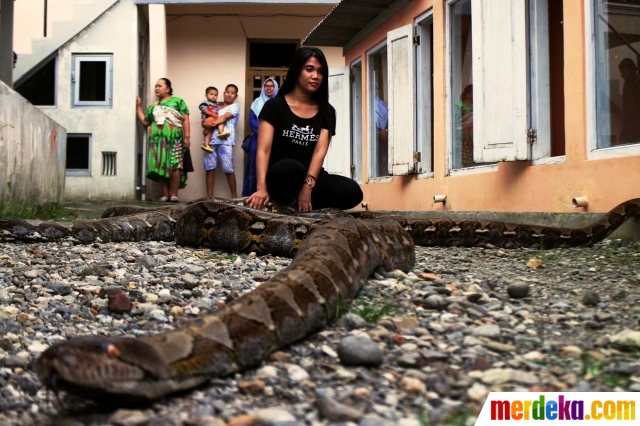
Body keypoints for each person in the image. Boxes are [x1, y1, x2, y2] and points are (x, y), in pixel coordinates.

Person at [246, 47, 363, 212]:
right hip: (281, 175)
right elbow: (263, 150)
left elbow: (319, 152)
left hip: (310, 178)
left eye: (320, 71)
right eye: (309, 69)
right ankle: (287, 199)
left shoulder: (327, 111)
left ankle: (301, 201)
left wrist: (307, 188)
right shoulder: (274, 106)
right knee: (292, 169)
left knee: (352, 191)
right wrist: (261, 188)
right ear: (296, 71)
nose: (315, 76)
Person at [136, 78, 190, 202]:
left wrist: (187, 137)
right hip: (157, 142)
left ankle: (174, 194)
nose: (156, 88)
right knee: (160, 164)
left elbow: (185, 119)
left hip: (174, 139)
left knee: (175, 165)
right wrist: (138, 107)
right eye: (155, 86)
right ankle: (165, 195)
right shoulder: (154, 106)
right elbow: (145, 121)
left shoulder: (178, 101)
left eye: (159, 86)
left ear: (168, 89)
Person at [202, 84, 240, 198]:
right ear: (224, 93)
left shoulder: (235, 107)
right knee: (209, 168)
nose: (229, 94)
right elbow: (204, 120)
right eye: (228, 92)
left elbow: (224, 117)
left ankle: (234, 198)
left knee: (228, 169)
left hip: (226, 140)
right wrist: (205, 126)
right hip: (210, 141)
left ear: (236, 96)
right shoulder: (214, 106)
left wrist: (211, 124)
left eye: (232, 93)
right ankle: (209, 198)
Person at [242, 78, 279, 196]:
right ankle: (250, 194)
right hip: (257, 138)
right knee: (254, 165)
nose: (269, 88)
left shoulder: (280, 102)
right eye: (266, 86)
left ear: (276, 88)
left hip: (276, 139)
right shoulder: (257, 102)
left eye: (272, 86)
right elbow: (251, 120)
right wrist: (264, 132)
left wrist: (273, 133)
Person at [199, 86, 230, 153]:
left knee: (209, 132)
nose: (213, 96)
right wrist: (211, 114)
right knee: (221, 121)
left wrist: (221, 103)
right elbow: (203, 109)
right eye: (211, 94)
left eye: (215, 95)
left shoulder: (216, 103)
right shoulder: (206, 102)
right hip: (209, 118)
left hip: (213, 119)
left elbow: (220, 105)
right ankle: (221, 132)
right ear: (206, 95)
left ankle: (206, 145)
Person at [618, 58, 640, 144]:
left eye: (623, 71)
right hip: (630, 123)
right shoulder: (627, 84)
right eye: (620, 72)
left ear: (631, 70)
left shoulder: (637, 83)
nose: (621, 75)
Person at [455, 84, 474, 167]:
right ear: (469, 94)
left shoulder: (477, 108)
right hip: (462, 139)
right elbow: (456, 123)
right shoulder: (458, 107)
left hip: (473, 140)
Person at [374, 82, 389, 176]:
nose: (375, 90)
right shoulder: (364, 104)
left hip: (384, 137)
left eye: (376, 88)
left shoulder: (383, 105)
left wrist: (386, 132)